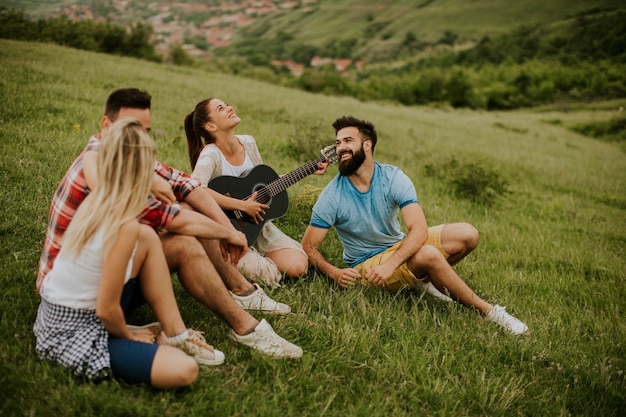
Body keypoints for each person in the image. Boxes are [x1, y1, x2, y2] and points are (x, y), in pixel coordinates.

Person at [37, 88, 303, 359]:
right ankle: (246, 327)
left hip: (111, 273)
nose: (139, 138)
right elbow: (171, 217)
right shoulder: (100, 166)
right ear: (107, 126)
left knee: (189, 207)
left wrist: (223, 222)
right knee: (184, 239)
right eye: (132, 127)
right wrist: (229, 233)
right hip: (82, 298)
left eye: (146, 130)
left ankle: (241, 292)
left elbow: (189, 185)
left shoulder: (126, 150)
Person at [34, 118, 223, 389]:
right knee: (184, 370)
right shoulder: (122, 226)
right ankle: (134, 337)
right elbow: (107, 310)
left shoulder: (99, 200)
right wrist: (127, 336)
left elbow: (91, 156)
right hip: (72, 332)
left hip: (56, 311)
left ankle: (176, 333)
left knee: (148, 237)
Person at [301, 115, 528, 335]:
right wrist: (334, 273)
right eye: (338, 142)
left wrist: (391, 265)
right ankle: (491, 312)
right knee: (428, 254)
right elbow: (308, 246)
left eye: (348, 141)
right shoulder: (332, 195)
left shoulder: (392, 177)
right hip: (366, 266)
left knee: (467, 234)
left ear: (367, 145)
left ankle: (424, 280)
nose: (340, 148)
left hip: (394, 251)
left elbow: (418, 229)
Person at [184, 98, 328, 288]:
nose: (229, 108)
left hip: (257, 225)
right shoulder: (211, 154)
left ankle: (249, 261)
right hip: (226, 228)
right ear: (210, 125)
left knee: (298, 266)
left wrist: (309, 169)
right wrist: (242, 206)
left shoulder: (248, 142)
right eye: (221, 108)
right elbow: (196, 188)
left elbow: (265, 183)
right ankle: (234, 263)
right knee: (266, 273)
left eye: (227, 104)